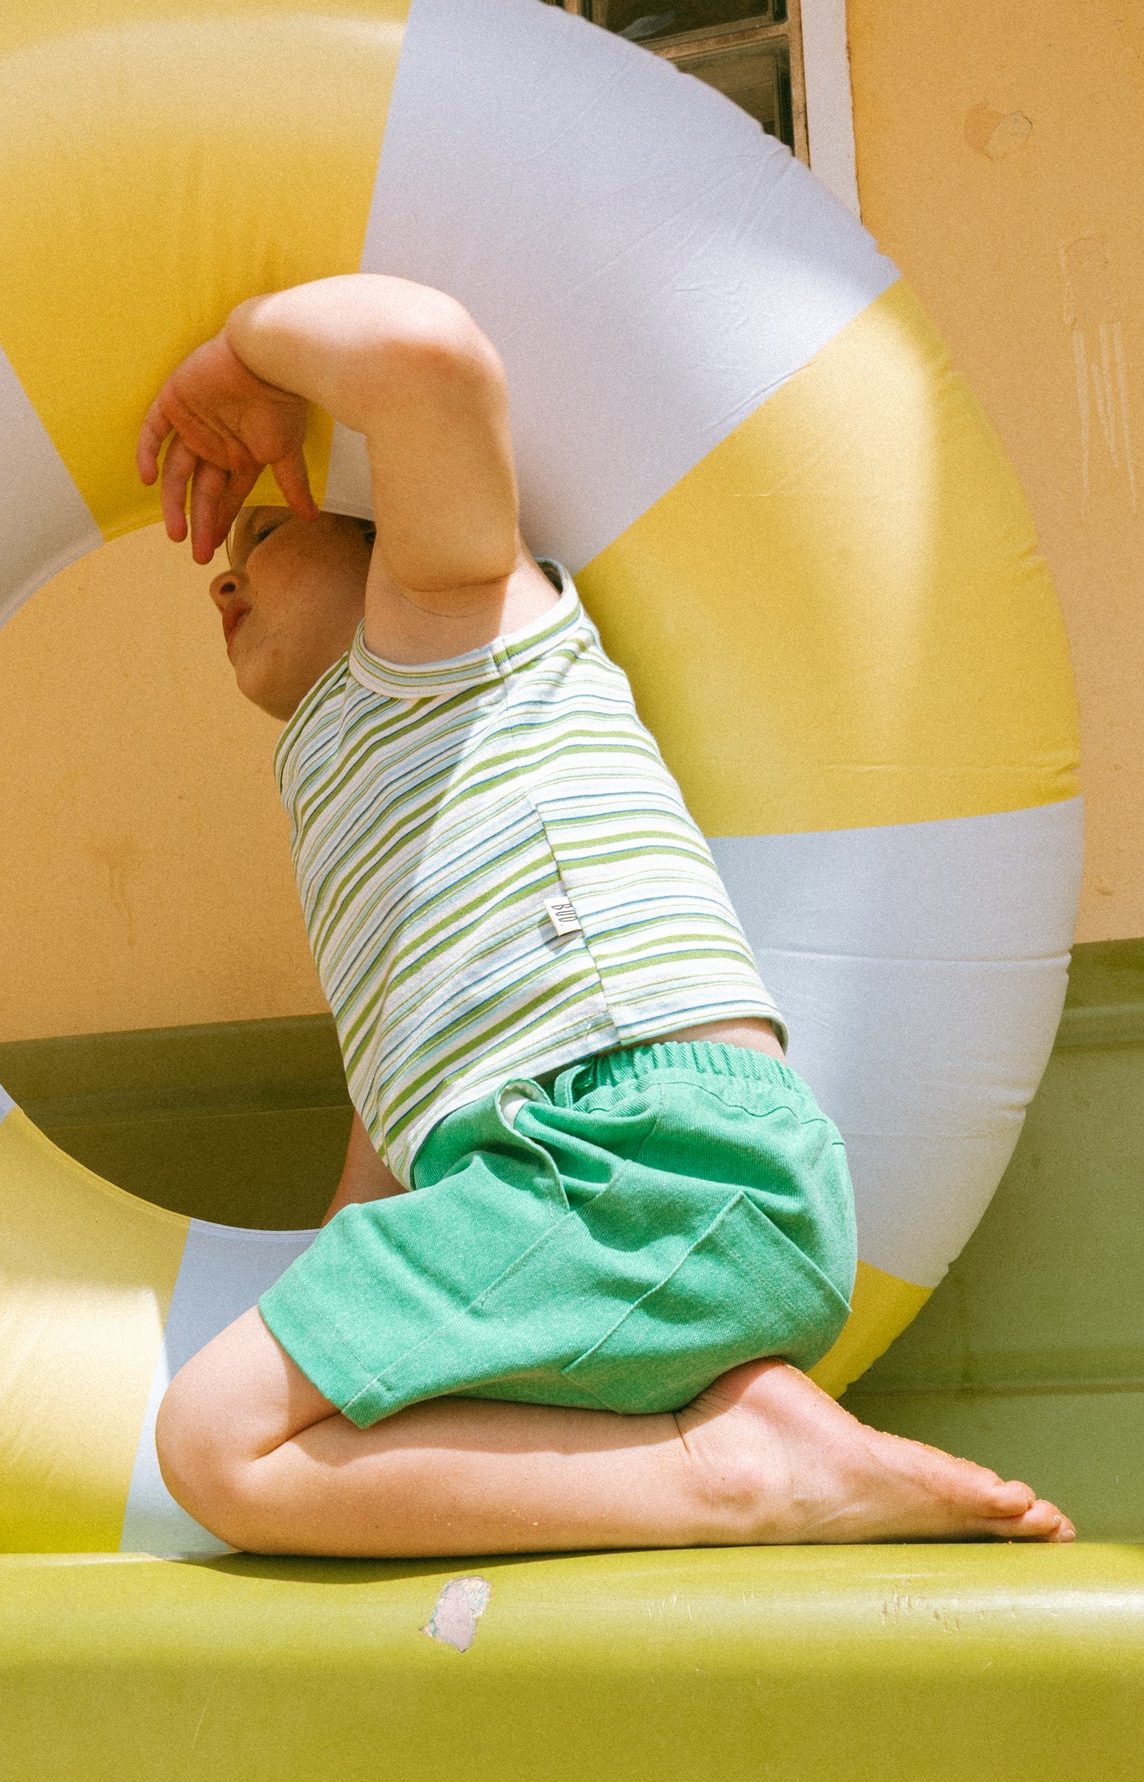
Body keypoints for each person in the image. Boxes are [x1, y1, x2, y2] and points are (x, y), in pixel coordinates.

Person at [137, 273, 1072, 1557]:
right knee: (265, 1425)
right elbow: (401, 1083)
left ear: (385, 539)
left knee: (216, 1442)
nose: (221, 575)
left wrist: (243, 359)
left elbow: (424, 356)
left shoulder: (452, 633)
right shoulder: (342, 769)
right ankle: (724, 1439)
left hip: (641, 1161)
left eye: (262, 536)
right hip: (564, 1190)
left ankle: (731, 1472)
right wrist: (349, 1265)